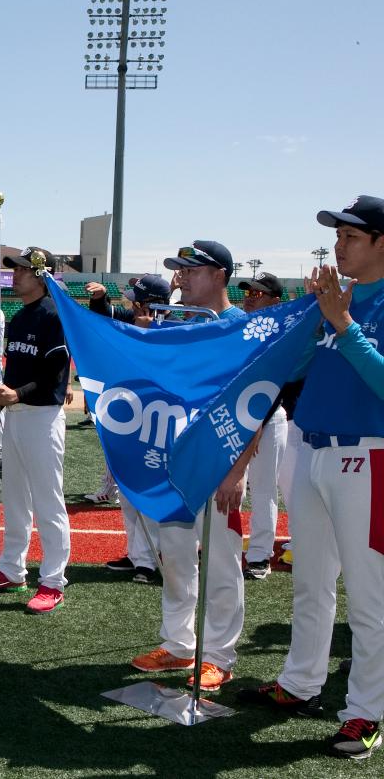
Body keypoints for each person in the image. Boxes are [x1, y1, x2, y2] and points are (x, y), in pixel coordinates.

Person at [238, 195, 384, 760]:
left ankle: (366, 712)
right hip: (313, 448)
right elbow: (296, 371)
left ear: (380, 242)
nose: (339, 245)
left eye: (351, 236)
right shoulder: (331, 299)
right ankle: (300, 684)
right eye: (338, 236)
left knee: (370, 597)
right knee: (310, 583)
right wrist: (306, 322)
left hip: (368, 457)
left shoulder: (352, 305)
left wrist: (342, 323)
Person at [129, 239, 247, 692]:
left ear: (218, 274)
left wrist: (237, 470)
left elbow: (254, 404)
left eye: (190, 270)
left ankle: (219, 655)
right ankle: (178, 646)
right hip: (174, 458)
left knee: (221, 561)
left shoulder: (242, 326)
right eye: (178, 270)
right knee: (175, 559)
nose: (181, 278)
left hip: (218, 459)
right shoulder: (178, 322)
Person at [0, 247, 71, 614]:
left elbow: (55, 375)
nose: (16, 275)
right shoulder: (20, 317)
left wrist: (17, 394)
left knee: (48, 501)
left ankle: (53, 581)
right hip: (14, 415)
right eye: (15, 270)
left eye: (23, 271)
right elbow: (13, 372)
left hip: (42, 416)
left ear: (42, 276)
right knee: (14, 500)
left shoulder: (52, 316)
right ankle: (12, 569)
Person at [85, 273, 172, 585]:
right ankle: (138, 555)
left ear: (151, 303)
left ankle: (151, 561)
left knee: (150, 493)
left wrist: (153, 332)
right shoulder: (135, 317)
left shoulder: (175, 327)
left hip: (159, 422)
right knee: (129, 495)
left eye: (136, 298)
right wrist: (98, 299)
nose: (131, 304)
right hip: (132, 418)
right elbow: (104, 314)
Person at [238, 271, 289, 580]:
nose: (249, 297)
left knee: (263, 489)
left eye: (257, 293)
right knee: (230, 488)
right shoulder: (241, 327)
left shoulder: (283, 332)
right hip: (241, 418)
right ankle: (229, 547)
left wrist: (257, 428)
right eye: (248, 292)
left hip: (269, 419)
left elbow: (275, 387)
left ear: (275, 301)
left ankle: (260, 555)